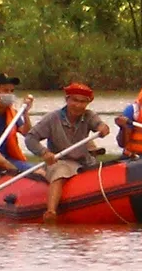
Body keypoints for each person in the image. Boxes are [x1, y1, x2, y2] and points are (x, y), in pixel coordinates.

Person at [25, 82, 110, 223]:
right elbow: (30, 138)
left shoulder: (89, 116)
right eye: (75, 100)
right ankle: (51, 211)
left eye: (83, 102)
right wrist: (44, 152)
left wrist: (103, 128)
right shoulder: (53, 118)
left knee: (99, 171)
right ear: (67, 100)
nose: (78, 105)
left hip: (84, 161)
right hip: (59, 160)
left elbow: (99, 125)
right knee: (60, 173)